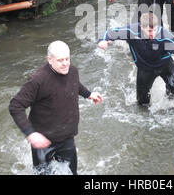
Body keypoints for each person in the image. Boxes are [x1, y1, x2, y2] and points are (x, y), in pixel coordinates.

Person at [9, 40, 103, 175]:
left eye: (67, 59)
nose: (65, 63)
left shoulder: (72, 71)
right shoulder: (38, 80)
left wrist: (88, 94)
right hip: (43, 141)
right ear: (49, 60)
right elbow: (15, 106)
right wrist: (31, 134)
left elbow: (75, 84)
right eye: (60, 60)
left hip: (67, 137)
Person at [98, 12, 174, 105]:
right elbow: (110, 33)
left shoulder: (163, 38)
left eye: (155, 30)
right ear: (141, 27)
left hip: (165, 66)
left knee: (173, 91)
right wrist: (103, 40)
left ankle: (167, 113)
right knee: (142, 103)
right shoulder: (131, 32)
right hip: (145, 70)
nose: (153, 34)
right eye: (149, 31)